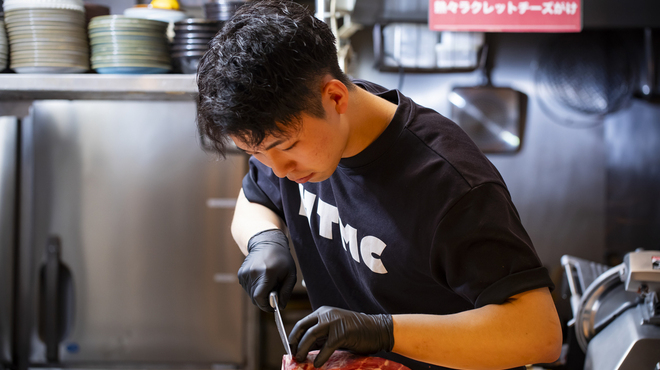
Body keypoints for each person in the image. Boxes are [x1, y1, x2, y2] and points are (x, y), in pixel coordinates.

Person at [196, 1, 562, 369]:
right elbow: (255, 197)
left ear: (335, 97)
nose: (278, 170)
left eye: (286, 146)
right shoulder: (307, 138)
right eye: (255, 153)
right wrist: (264, 242)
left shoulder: (449, 183)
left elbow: (538, 334)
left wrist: (382, 332)